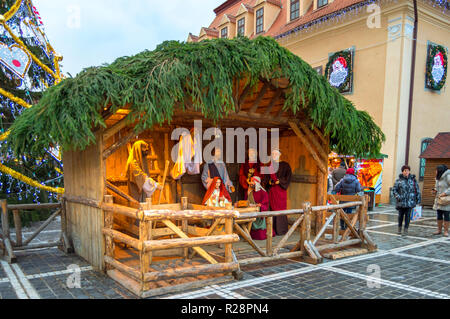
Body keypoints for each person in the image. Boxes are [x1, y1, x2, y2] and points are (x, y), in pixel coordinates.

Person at [262, 148, 292, 236]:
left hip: (281, 190)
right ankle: (273, 229)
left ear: (280, 155)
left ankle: (282, 230)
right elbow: (266, 178)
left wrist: (280, 181)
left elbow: (288, 177)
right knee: (273, 208)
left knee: (281, 209)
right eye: (273, 154)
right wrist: (269, 182)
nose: (274, 155)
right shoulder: (269, 166)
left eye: (276, 154)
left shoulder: (285, 165)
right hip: (272, 190)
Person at [392, 165, 421, 236]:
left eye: (407, 170)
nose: (406, 172)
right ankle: (399, 228)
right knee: (400, 216)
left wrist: (418, 200)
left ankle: (406, 229)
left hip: (410, 201)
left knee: (408, 216)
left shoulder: (413, 180)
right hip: (401, 201)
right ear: (402, 172)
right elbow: (394, 190)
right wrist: (398, 197)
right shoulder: (398, 181)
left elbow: (417, 190)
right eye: (405, 170)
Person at [248, 176, 274, 240]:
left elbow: (265, 204)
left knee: (260, 235)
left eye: (253, 181)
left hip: (259, 212)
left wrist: (260, 205)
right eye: (250, 181)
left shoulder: (263, 192)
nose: (251, 183)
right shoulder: (250, 193)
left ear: (257, 183)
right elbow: (248, 202)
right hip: (252, 211)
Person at [432, 165, 450, 237]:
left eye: (436, 170)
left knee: (446, 215)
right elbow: (436, 187)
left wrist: (445, 193)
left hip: (446, 200)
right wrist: (434, 190)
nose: (435, 172)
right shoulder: (438, 178)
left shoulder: (448, 176)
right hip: (439, 200)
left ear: (440, 170)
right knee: (439, 215)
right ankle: (439, 230)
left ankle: (446, 231)